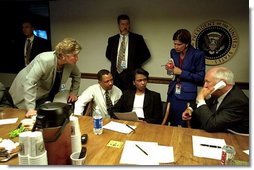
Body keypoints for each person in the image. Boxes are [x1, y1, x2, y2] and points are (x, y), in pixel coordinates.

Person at [9, 38, 82, 117]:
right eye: (74, 55)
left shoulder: (70, 63)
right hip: (25, 90)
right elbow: (30, 82)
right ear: (63, 55)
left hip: (44, 93)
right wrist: (30, 108)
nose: (77, 58)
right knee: (21, 115)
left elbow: (77, 75)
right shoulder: (45, 60)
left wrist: (74, 92)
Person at [182, 66, 249, 134]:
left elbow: (211, 125)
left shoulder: (237, 101)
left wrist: (200, 98)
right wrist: (190, 109)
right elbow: (201, 102)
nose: (205, 86)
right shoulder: (215, 93)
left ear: (222, 84)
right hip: (215, 133)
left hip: (235, 139)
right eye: (204, 81)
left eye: (207, 82)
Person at [165, 29, 205, 127]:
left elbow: (200, 77)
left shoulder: (198, 54)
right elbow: (173, 71)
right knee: (171, 122)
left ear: (187, 43)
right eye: (174, 44)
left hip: (187, 94)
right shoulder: (173, 52)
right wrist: (169, 69)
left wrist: (182, 72)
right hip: (173, 92)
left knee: (184, 123)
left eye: (179, 44)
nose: (176, 47)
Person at [106, 14, 151, 91]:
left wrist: (134, 63)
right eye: (122, 24)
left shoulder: (137, 38)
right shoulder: (112, 39)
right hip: (116, 74)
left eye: (127, 24)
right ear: (118, 25)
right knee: (116, 96)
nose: (125, 27)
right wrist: (118, 63)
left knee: (130, 97)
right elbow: (108, 54)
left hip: (131, 74)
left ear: (129, 25)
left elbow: (146, 54)